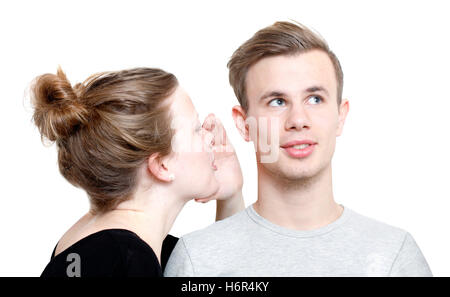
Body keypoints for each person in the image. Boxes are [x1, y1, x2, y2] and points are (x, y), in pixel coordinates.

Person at [164, 21, 433, 277]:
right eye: (277, 101)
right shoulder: (196, 259)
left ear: (340, 116)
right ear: (244, 124)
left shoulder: (394, 254)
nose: (298, 121)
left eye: (315, 99)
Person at [31, 67, 244, 277]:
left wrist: (231, 195)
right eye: (197, 129)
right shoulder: (128, 259)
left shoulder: (106, 245)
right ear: (162, 165)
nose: (210, 136)